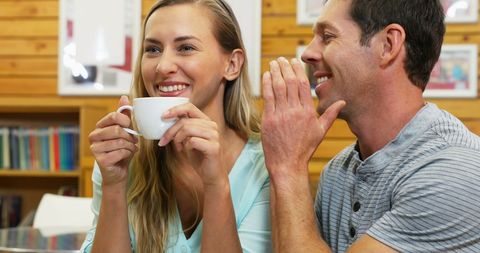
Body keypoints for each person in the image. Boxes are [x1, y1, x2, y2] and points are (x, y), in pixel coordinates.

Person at [261, 0, 480, 252]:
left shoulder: (454, 172)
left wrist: (288, 167)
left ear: (388, 45)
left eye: (328, 37)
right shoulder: (336, 172)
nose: (307, 53)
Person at [80, 0, 271, 252]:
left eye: (186, 47)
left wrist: (216, 185)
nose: (162, 66)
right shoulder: (123, 157)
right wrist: (114, 185)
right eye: (153, 49)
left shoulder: (266, 167)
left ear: (232, 64)